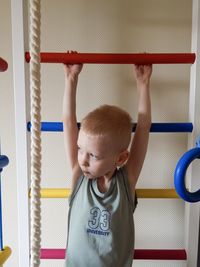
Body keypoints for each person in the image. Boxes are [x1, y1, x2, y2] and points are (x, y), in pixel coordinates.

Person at [62, 51, 152, 267]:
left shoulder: (126, 182)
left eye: (93, 155)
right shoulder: (79, 176)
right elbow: (68, 121)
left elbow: (143, 127)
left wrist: (143, 85)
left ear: (120, 158)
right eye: (80, 149)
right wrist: (71, 79)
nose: (82, 159)